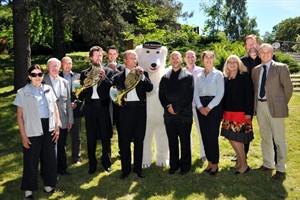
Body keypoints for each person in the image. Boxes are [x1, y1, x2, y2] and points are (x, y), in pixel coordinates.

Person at [14, 65, 60, 199]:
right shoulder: (22, 92)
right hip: (32, 128)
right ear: (29, 76)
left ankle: (49, 184)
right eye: (34, 74)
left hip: (49, 127)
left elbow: (55, 109)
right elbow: (19, 116)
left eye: (39, 74)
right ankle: (28, 189)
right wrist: (23, 135)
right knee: (31, 160)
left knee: (49, 158)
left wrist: (57, 126)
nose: (37, 77)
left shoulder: (48, 89)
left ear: (43, 75)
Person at [252, 43, 293, 180]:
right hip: (260, 106)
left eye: (267, 52)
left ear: (272, 53)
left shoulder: (281, 68)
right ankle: (268, 163)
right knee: (265, 137)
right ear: (258, 55)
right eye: (262, 52)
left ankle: (281, 168)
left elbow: (288, 89)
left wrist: (281, 103)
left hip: (275, 107)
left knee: (279, 140)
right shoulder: (256, 70)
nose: (265, 55)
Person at [112, 50, 153, 179]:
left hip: (140, 111)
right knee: (124, 142)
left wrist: (142, 77)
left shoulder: (143, 73)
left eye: (135, 58)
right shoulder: (118, 77)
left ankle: (138, 169)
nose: (134, 60)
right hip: (125, 111)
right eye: (132, 58)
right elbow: (115, 95)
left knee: (139, 141)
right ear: (125, 60)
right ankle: (126, 169)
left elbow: (150, 88)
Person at [240, 34, 278, 163]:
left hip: (265, 100)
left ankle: (275, 157)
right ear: (245, 47)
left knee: (271, 131)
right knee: (245, 130)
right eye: (248, 44)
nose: (251, 46)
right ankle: (242, 155)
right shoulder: (241, 62)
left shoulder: (267, 57)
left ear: (258, 44)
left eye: (253, 43)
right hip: (247, 101)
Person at [78, 46, 114, 174]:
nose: (99, 58)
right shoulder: (84, 73)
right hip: (90, 108)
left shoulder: (109, 71)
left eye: (101, 56)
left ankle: (106, 163)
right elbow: (80, 92)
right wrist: (77, 101)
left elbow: (112, 90)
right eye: (97, 55)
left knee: (105, 137)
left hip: (103, 108)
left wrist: (104, 78)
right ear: (91, 58)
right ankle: (92, 164)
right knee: (91, 137)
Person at [159, 51, 194, 175]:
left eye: (177, 57)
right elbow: (161, 95)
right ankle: (174, 165)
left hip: (184, 115)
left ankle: (185, 166)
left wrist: (176, 108)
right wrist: (168, 107)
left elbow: (188, 96)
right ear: (170, 61)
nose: (175, 60)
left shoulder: (188, 77)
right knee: (172, 141)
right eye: (172, 58)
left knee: (185, 142)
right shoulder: (164, 78)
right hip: (169, 116)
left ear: (181, 60)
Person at [221, 55, 254, 174]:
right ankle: (240, 162)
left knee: (238, 139)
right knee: (231, 138)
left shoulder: (244, 76)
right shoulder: (226, 78)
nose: (232, 64)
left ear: (239, 64)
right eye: (230, 62)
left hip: (240, 113)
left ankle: (244, 165)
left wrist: (248, 112)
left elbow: (250, 95)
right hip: (228, 113)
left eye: (235, 62)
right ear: (227, 64)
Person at [193, 51, 224, 175]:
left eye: (211, 57)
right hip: (200, 106)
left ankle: (215, 164)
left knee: (212, 135)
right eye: (206, 57)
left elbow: (220, 93)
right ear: (203, 60)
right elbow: (195, 92)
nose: (209, 59)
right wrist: (200, 107)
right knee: (204, 136)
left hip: (214, 106)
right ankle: (209, 162)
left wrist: (209, 107)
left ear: (214, 60)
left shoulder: (218, 74)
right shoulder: (199, 75)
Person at [44, 58, 74, 176]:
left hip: (63, 119)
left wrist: (70, 119)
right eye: (52, 66)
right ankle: (49, 170)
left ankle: (62, 168)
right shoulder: (42, 80)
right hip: (48, 119)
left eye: (57, 66)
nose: (55, 68)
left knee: (62, 145)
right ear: (47, 68)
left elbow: (68, 102)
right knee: (49, 146)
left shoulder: (64, 82)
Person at [59, 56, 83, 165]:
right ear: (61, 65)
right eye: (66, 63)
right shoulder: (57, 77)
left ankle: (76, 157)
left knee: (76, 136)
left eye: (70, 63)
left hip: (75, 110)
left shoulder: (78, 76)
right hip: (61, 111)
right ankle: (60, 158)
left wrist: (77, 103)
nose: (68, 65)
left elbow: (83, 92)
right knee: (61, 136)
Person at [184, 50, 206, 162]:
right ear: (184, 59)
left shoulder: (202, 71)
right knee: (186, 132)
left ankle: (203, 154)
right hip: (186, 107)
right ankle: (188, 153)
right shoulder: (181, 72)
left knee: (201, 130)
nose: (190, 59)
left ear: (195, 58)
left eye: (192, 56)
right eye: (188, 57)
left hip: (198, 105)